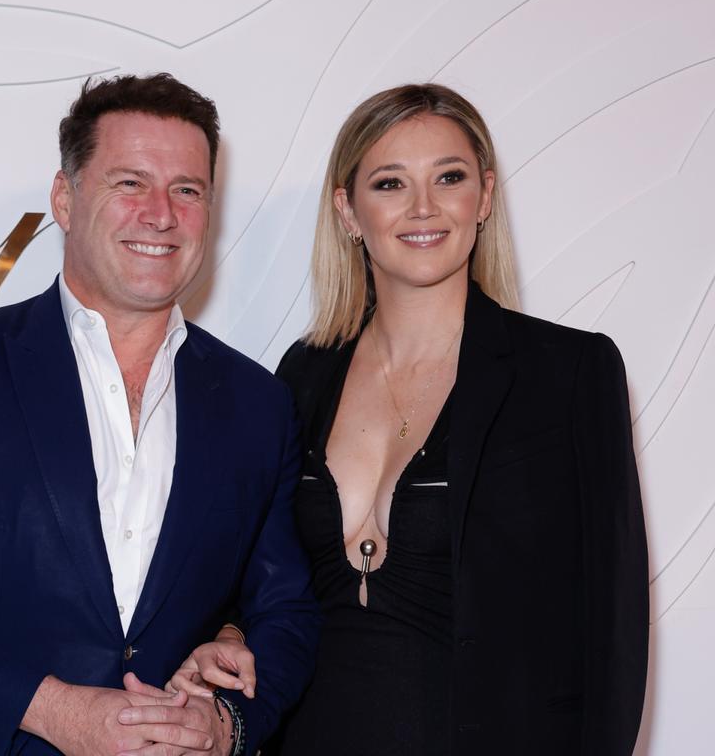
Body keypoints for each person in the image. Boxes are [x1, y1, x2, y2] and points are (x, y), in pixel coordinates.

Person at [0, 72, 320, 756]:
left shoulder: (256, 402)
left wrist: (226, 722)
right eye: (130, 183)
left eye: (188, 190)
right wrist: (54, 711)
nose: (161, 214)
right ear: (65, 198)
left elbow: (284, 609)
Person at [172, 84, 648, 755]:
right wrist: (227, 638)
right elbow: (260, 574)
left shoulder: (569, 372)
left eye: (448, 178)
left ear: (483, 197)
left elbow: (613, 628)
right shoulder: (302, 374)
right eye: (391, 183)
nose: (423, 208)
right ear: (347, 209)